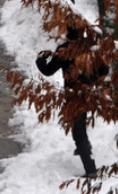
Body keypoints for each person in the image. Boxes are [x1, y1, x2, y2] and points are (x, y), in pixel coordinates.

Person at [35, 28, 108, 177]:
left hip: (73, 94)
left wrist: (40, 59)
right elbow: (104, 69)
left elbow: (48, 71)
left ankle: (90, 168)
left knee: (78, 131)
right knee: (81, 124)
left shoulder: (64, 50)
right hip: (88, 93)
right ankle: (84, 149)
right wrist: (91, 82)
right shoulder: (91, 48)